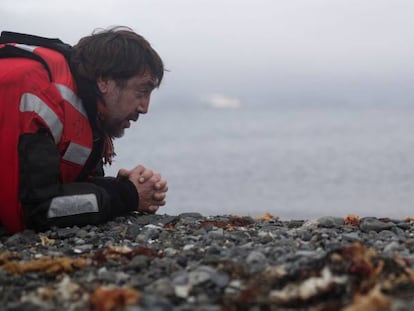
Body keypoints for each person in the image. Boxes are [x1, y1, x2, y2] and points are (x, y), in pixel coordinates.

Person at [0, 26, 168, 234]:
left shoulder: (86, 110)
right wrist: (127, 195)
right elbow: (36, 209)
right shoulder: (37, 92)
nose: (145, 107)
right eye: (142, 91)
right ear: (104, 81)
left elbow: (64, 185)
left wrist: (120, 186)